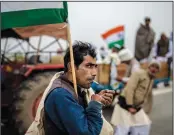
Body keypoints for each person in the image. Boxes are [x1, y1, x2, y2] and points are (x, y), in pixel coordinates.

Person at [42, 41, 115, 135]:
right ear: (71, 67)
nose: (94, 73)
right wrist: (95, 105)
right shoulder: (61, 95)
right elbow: (87, 132)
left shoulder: (76, 88)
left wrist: (97, 100)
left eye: (95, 66)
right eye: (88, 66)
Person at [111, 60, 161, 135]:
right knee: (123, 130)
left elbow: (149, 96)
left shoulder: (151, 79)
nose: (154, 69)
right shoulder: (139, 73)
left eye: (157, 68)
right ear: (149, 67)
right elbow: (130, 89)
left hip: (137, 107)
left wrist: (147, 110)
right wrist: (130, 106)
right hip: (125, 105)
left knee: (144, 125)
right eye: (153, 66)